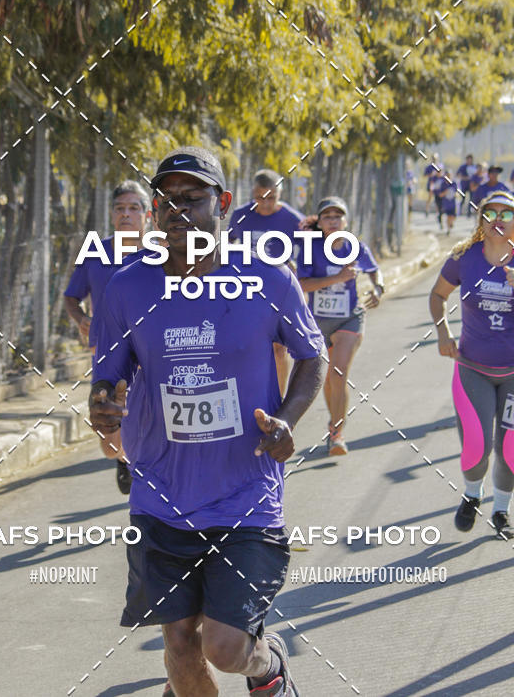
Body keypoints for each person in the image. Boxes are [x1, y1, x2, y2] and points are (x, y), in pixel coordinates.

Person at [89, 146, 326, 697]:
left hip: (246, 495)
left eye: (192, 198)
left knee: (225, 647)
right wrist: (102, 405)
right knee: (179, 646)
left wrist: (287, 420)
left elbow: (312, 355)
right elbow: (107, 374)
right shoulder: (127, 288)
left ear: (222, 204)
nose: (177, 210)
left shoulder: (267, 277)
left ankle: (267, 665)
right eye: (165, 200)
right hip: (161, 496)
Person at [429, 191, 514, 540]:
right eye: (490, 212)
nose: (498, 219)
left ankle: (501, 510)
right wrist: (443, 331)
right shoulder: (464, 257)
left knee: (510, 451)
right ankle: (472, 495)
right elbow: (438, 295)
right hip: (472, 368)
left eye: (506, 213)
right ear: (481, 220)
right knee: (477, 449)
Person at [64, 180, 151, 494]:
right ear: (112, 214)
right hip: (108, 355)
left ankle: (147, 470)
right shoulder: (96, 251)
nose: (126, 214)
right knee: (109, 441)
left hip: (152, 355)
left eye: (133, 208)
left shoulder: (162, 253)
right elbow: (71, 297)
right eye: (119, 208)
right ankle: (125, 459)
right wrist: (81, 320)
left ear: (148, 215)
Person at [296, 196, 383, 456]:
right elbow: (302, 284)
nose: (333, 221)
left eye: (338, 217)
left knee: (338, 373)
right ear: (320, 223)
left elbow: (374, 270)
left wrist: (378, 287)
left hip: (349, 318)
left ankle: (337, 433)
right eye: (327, 217)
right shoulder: (311, 249)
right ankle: (334, 425)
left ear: (345, 221)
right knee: (328, 381)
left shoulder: (356, 247)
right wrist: (338, 278)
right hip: (318, 321)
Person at [228, 169, 305, 396]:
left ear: (280, 195)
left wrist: (298, 271)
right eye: (260, 197)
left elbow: (311, 248)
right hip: (246, 291)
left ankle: (279, 403)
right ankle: (250, 396)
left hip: (279, 291)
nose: (265, 203)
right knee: (247, 347)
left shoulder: (292, 219)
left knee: (279, 349)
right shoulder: (240, 215)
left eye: (271, 197)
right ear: (253, 194)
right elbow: (227, 245)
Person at [437, 169, 457, 235]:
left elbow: (456, 192)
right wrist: (446, 192)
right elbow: (440, 195)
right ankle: (448, 229)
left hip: (453, 203)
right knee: (448, 216)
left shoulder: (454, 183)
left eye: (449, 175)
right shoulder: (443, 184)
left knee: (453, 216)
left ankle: (451, 223)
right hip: (446, 203)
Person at [423, 153, 443, 218]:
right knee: (430, 197)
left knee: (437, 199)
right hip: (431, 184)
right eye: (433, 158)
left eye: (435, 159)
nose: (434, 160)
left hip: (438, 185)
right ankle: (427, 209)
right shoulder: (429, 167)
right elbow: (425, 175)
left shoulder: (440, 166)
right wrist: (431, 175)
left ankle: (438, 212)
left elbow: (442, 174)